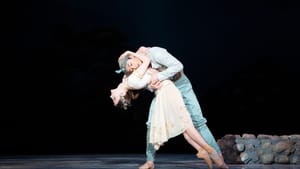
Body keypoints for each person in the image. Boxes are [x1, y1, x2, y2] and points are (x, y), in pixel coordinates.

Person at [110, 53, 228, 169]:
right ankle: (206, 150)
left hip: (171, 87)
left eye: (130, 64)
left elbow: (174, 67)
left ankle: (210, 152)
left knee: (187, 125)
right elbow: (145, 67)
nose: (132, 67)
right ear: (122, 94)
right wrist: (131, 53)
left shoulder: (127, 78)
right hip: (165, 91)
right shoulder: (130, 80)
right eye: (114, 98)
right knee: (184, 127)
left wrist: (152, 77)